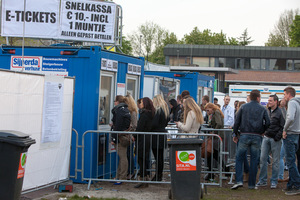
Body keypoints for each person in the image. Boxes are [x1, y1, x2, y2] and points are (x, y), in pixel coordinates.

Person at [231, 90, 270, 190]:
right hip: (257, 135)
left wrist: (235, 133)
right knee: (254, 159)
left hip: (244, 134)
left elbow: (237, 121)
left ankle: (239, 180)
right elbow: (268, 122)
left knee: (239, 158)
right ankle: (252, 184)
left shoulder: (243, 107)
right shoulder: (263, 108)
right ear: (258, 98)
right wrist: (263, 130)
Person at [256, 95, 285, 189]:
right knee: (262, 159)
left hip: (275, 138)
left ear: (276, 101)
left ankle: (274, 181)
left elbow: (283, 126)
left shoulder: (280, 113)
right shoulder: (267, 111)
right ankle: (263, 180)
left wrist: (277, 136)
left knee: (275, 161)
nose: (269, 102)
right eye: (268, 100)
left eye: (271, 100)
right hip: (266, 137)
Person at [282, 86, 300, 195]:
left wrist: (285, 129)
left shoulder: (292, 103)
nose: (284, 97)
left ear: (289, 94)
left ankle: (297, 185)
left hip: (290, 134)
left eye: (284, 94)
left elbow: (290, 117)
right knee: (292, 161)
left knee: (290, 162)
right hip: (297, 134)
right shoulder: (298, 103)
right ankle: (291, 184)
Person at [134, 97, 155, 188]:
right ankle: (145, 177)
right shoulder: (151, 113)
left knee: (140, 158)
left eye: (141, 102)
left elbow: (140, 128)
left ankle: (143, 178)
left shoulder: (144, 115)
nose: (140, 104)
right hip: (148, 138)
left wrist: (134, 135)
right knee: (144, 158)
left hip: (142, 139)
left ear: (145, 104)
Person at [110, 95, 131, 184]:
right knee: (122, 157)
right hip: (124, 136)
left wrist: (114, 138)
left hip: (120, 137)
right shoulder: (126, 110)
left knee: (123, 157)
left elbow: (118, 125)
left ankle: (122, 177)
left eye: (115, 101)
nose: (114, 102)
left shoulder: (120, 111)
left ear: (118, 102)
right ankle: (119, 176)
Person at [151, 95, 170, 181]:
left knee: (157, 157)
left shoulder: (158, 111)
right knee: (160, 157)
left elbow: (154, 124)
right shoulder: (165, 110)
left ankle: (157, 175)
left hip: (156, 135)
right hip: (162, 134)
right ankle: (159, 175)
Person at [204, 103, 224, 180]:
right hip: (216, 135)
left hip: (217, 136)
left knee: (214, 153)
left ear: (212, 108)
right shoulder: (215, 113)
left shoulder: (216, 113)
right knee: (213, 153)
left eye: (208, 110)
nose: (207, 112)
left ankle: (212, 172)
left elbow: (219, 123)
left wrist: (214, 132)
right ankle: (211, 172)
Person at [233, 101, 250, 182]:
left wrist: (234, 134)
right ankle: (246, 172)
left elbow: (236, 124)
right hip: (244, 136)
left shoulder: (238, 114)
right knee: (243, 156)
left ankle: (240, 175)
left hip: (241, 136)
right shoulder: (247, 115)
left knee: (239, 156)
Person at [124, 94, 138, 180]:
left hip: (130, 136)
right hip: (128, 135)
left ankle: (131, 171)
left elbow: (134, 125)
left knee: (129, 154)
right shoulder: (129, 111)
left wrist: (130, 132)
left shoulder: (132, 112)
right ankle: (128, 171)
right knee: (127, 154)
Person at [278, 98, 289, 182]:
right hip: (285, 135)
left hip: (285, 135)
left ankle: (281, 176)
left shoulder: (285, 111)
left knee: (281, 156)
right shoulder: (283, 110)